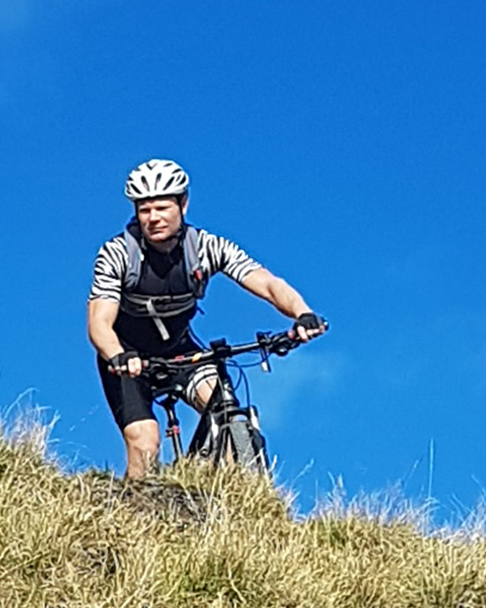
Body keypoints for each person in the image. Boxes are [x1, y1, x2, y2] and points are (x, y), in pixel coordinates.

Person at [87, 158, 324, 479]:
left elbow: (267, 283)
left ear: (183, 204)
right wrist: (118, 355)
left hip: (181, 352)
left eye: (161, 208)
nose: (153, 218)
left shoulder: (206, 247)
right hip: (128, 359)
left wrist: (303, 314)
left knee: (225, 411)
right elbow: (99, 323)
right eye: (144, 210)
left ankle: (235, 503)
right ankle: (132, 515)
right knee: (145, 443)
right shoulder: (117, 253)